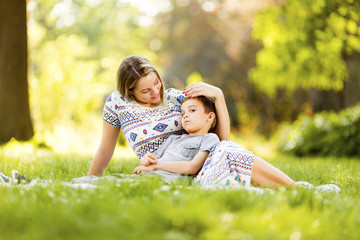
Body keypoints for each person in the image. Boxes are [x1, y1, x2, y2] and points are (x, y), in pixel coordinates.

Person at [86, 55, 339, 190]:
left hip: (199, 162)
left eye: (157, 83)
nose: (156, 92)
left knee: (227, 149)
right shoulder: (116, 104)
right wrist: (91, 181)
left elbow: (220, 137)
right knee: (229, 155)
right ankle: (298, 190)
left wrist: (218, 95)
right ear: (129, 92)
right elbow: (106, 149)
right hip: (163, 171)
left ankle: (298, 190)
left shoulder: (176, 98)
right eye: (146, 91)